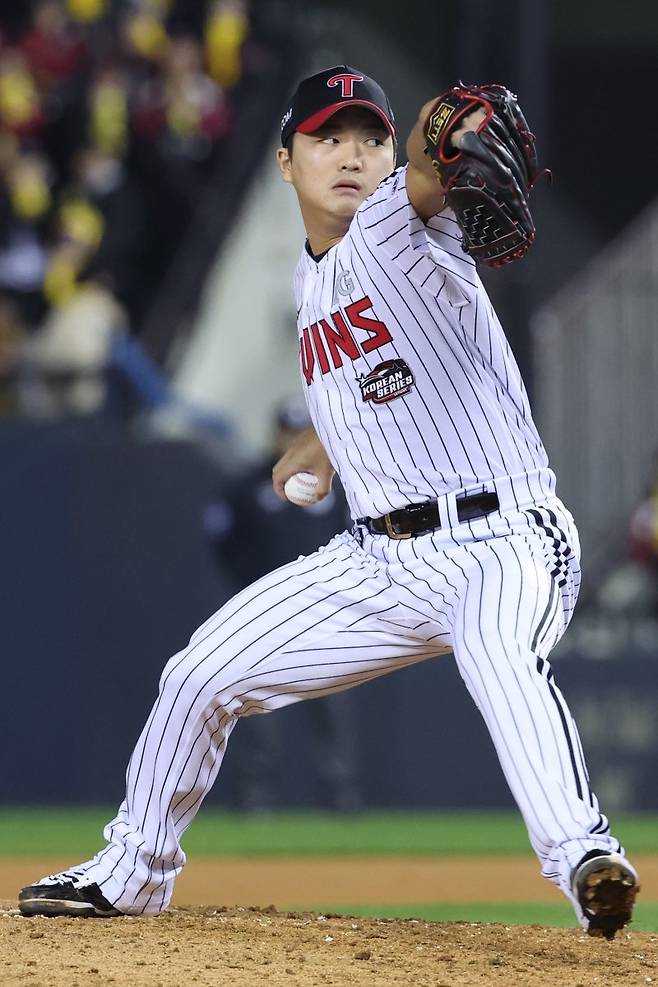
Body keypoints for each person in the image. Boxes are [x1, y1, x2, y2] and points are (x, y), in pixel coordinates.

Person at [18, 65, 639, 939]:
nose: (352, 153)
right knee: (199, 673)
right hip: (378, 561)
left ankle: (585, 861)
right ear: (284, 161)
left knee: (499, 655)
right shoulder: (314, 288)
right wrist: (316, 445)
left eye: (370, 137)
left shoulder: (395, 227)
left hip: (504, 535)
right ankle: (131, 872)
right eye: (328, 136)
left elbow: (430, 144)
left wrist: (445, 129)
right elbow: (359, 384)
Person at [203, 397, 361, 812]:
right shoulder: (247, 486)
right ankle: (256, 802)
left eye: (299, 431)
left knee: (331, 713)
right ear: (275, 434)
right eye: (286, 431)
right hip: (265, 618)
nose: (292, 438)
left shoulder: (336, 485)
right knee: (258, 713)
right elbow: (223, 544)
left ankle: (340, 800)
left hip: (326, 616)